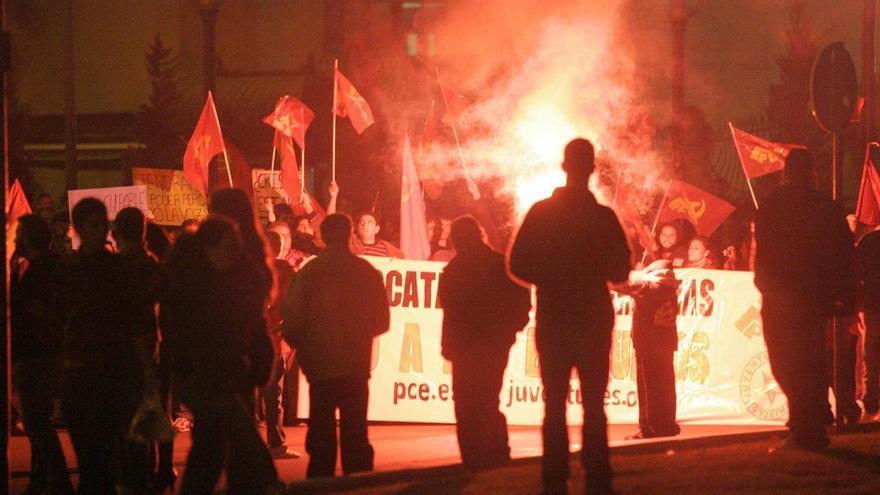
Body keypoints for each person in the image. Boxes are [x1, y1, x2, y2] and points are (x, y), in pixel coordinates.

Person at [508, 138, 631, 495]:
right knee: (595, 404)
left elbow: (517, 264)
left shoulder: (542, 213)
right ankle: (598, 477)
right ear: (591, 169)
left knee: (554, 403)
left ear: (564, 166)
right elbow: (621, 270)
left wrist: (550, 276)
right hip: (592, 319)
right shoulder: (602, 217)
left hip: (555, 318)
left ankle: (554, 479)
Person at [162, 218, 281, 493]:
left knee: (210, 448)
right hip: (199, 376)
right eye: (227, 248)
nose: (233, 254)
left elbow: (255, 324)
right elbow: (181, 337)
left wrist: (258, 366)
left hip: (227, 373)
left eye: (235, 248)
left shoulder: (238, 277)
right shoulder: (188, 282)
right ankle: (273, 484)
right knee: (242, 434)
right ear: (208, 249)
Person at [754, 148, 855, 451]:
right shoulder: (826, 207)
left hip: (787, 295)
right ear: (812, 173)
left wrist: (766, 285)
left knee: (789, 362)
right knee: (807, 360)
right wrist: (843, 296)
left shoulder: (774, 204)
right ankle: (809, 423)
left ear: (786, 173)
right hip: (811, 298)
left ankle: (806, 427)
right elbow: (844, 255)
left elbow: (764, 252)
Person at [281, 213, 390, 478]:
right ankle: (361, 485)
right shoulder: (366, 272)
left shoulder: (309, 272)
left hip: (320, 369)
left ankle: (320, 485)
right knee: (355, 434)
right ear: (349, 233)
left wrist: (305, 350)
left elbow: (292, 321)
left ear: (323, 236)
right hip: (355, 367)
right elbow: (381, 321)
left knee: (321, 437)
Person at [61, 198, 142, 494]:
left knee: (102, 456)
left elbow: (132, 320)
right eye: (94, 225)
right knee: (87, 455)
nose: (101, 232)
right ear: (79, 228)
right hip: (77, 370)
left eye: (104, 225)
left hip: (108, 371)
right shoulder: (68, 268)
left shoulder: (116, 268)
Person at [438, 215, 531, 471]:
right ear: (480, 235)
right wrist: (510, 331)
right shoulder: (499, 264)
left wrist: (448, 346)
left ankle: (472, 458)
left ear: (456, 240)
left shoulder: (453, 271)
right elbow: (522, 301)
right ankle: (497, 454)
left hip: (465, 346)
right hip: (493, 344)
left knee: (466, 402)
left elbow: (449, 310)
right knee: (489, 398)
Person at [11, 214, 73, 494]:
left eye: (19, 233)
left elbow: (48, 311)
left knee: (36, 420)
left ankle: (58, 478)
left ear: (28, 238)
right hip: (41, 352)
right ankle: (41, 478)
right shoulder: (40, 266)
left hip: (39, 354)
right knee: (38, 419)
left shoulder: (44, 268)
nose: (14, 238)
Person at [112, 207, 166, 492]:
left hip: (124, 352)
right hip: (149, 347)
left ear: (116, 233)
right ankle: (146, 473)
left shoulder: (117, 268)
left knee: (127, 419)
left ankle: (133, 478)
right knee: (144, 415)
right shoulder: (152, 266)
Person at [617, 259, 681, 439]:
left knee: (648, 388)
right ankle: (667, 424)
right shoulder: (670, 290)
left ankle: (649, 427)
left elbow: (621, 285)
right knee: (666, 385)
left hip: (647, 345)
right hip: (666, 345)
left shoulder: (649, 288)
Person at [261, 231, 301, 459]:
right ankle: (275, 444)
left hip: (249, 337)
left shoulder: (247, 269)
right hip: (274, 338)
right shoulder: (286, 271)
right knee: (272, 393)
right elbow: (293, 306)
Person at [857, 224, 880, 422]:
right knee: (871, 358)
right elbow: (855, 275)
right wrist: (861, 307)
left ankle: (871, 404)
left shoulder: (869, 241)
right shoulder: (869, 242)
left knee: (871, 358)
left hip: (872, 308)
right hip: (873, 308)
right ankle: (871, 404)